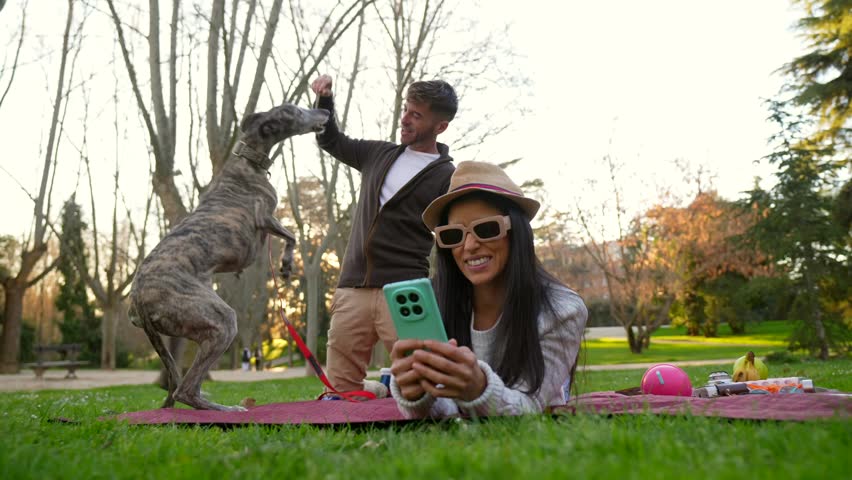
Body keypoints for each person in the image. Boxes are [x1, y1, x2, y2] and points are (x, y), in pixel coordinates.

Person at [389, 161, 588, 418]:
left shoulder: (563, 310)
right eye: (453, 235)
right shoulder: (434, 304)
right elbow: (444, 410)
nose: (469, 245)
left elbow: (529, 407)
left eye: (486, 229)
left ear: (517, 232)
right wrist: (415, 395)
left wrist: (477, 387)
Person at [310, 74, 458, 393]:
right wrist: (324, 101)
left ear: (440, 126)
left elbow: (453, 234)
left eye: (416, 115)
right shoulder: (378, 154)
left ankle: (394, 395)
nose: (404, 119)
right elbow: (330, 140)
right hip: (354, 286)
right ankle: (367, 402)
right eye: (406, 109)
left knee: (426, 382)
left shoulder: (448, 176)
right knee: (340, 390)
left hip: (405, 287)